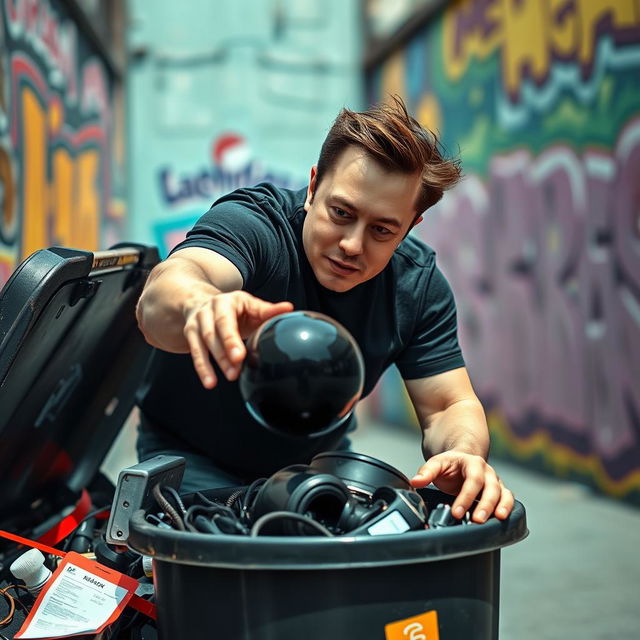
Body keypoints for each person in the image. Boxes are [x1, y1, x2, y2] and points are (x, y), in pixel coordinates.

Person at [135, 97, 514, 523]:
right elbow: (168, 291)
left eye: (382, 229)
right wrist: (199, 305)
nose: (352, 244)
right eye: (341, 213)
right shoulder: (256, 225)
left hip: (314, 466)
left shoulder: (417, 287)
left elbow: (447, 405)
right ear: (313, 186)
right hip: (192, 458)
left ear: (410, 227)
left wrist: (463, 452)